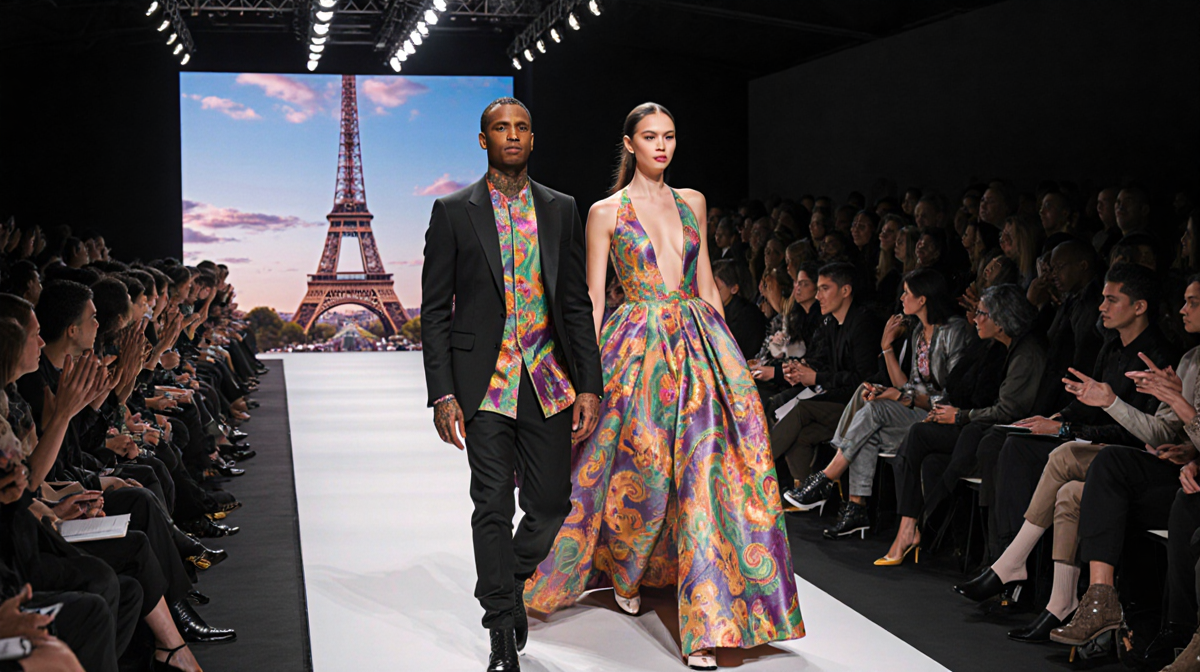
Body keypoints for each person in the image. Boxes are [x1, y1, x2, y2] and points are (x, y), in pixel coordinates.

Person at [525, 102, 803, 671]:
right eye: (650, 137)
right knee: (641, 472)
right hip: (637, 350)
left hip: (700, 348)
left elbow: (704, 286)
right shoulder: (605, 211)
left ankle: (709, 624)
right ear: (629, 144)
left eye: (670, 136)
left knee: (708, 477)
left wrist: (732, 361)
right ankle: (627, 571)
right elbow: (595, 299)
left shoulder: (694, 201)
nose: (661, 146)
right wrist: (586, 376)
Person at [419, 97, 604, 672]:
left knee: (550, 504)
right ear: (484, 140)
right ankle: (501, 626)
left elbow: (574, 304)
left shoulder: (561, 208)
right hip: (483, 385)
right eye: (501, 128)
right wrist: (442, 391)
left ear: (533, 137)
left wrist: (591, 384)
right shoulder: (453, 211)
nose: (513, 136)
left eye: (522, 127)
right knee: (491, 504)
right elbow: (434, 311)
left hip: (547, 382)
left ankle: (510, 575)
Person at [789, 269, 973, 539]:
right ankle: (855, 507)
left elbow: (953, 394)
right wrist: (887, 348)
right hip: (917, 410)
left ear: (923, 299)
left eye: (907, 293)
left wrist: (899, 397)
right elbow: (907, 384)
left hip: (941, 417)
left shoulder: (954, 331)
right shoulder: (919, 332)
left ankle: (827, 478)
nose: (901, 298)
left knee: (873, 410)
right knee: (868, 399)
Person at [880, 285, 1045, 565]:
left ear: (1002, 318)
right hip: (979, 427)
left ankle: (913, 526)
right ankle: (920, 529)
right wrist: (947, 411)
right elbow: (958, 386)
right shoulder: (993, 345)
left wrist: (958, 416)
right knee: (928, 454)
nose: (975, 318)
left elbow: (1008, 411)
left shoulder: (1024, 353)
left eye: (982, 313)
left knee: (921, 436)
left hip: (1002, 437)